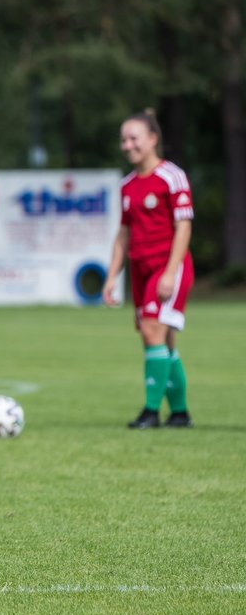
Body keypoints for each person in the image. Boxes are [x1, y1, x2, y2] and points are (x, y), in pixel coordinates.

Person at [103, 110, 195, 429]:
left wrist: (170, 272)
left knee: (152, 330)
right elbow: (123, 234)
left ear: (153, 139)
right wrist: (112, 276)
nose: (128, 145)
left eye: (134, 138)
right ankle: (180, 413)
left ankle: (151, 412)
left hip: (168, 266)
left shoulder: (172, 176)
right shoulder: (127, 186)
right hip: (141, 271)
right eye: (123, 140)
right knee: (160, 339)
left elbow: (183, 227)